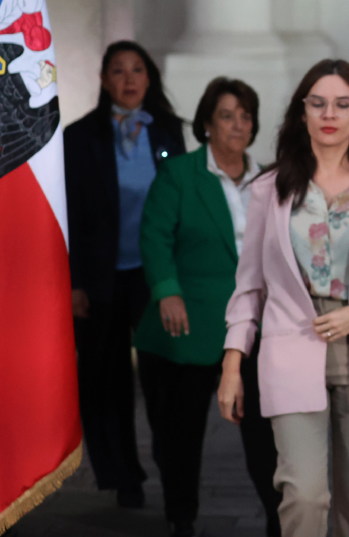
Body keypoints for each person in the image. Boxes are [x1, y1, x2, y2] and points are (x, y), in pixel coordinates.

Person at [216, 60, 349, 537]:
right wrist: (232, 363)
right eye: (318, 103)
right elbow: (249, 285)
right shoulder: (268, 189)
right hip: (291, 346)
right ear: (301, 112)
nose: (330, 114)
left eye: (343, 104)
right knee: (304, 494)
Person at [135, 78, 281, 537]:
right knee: (180, 435)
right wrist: (166, 290)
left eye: (245, 116)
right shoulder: (180, 174)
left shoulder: (270, 180)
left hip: (255, 326)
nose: (238, 125)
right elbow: (155, 236)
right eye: (226, 115)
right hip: (189, 321)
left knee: (264, 434)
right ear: (206, 124)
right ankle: (181, 517)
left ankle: (281, 519)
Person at [64, 40, 186, 508]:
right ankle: (121, 474)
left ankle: (173, 472)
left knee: (162, 378)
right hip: (99, 278)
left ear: (149, 79)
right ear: (103, 80)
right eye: (118, 70)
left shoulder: (168, 133)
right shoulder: (80, 137)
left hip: (154, 276)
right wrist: (74, 282)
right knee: (104, 380)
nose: (129, 79)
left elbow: (180, 207)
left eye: (137, 70)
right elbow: (70, 215)